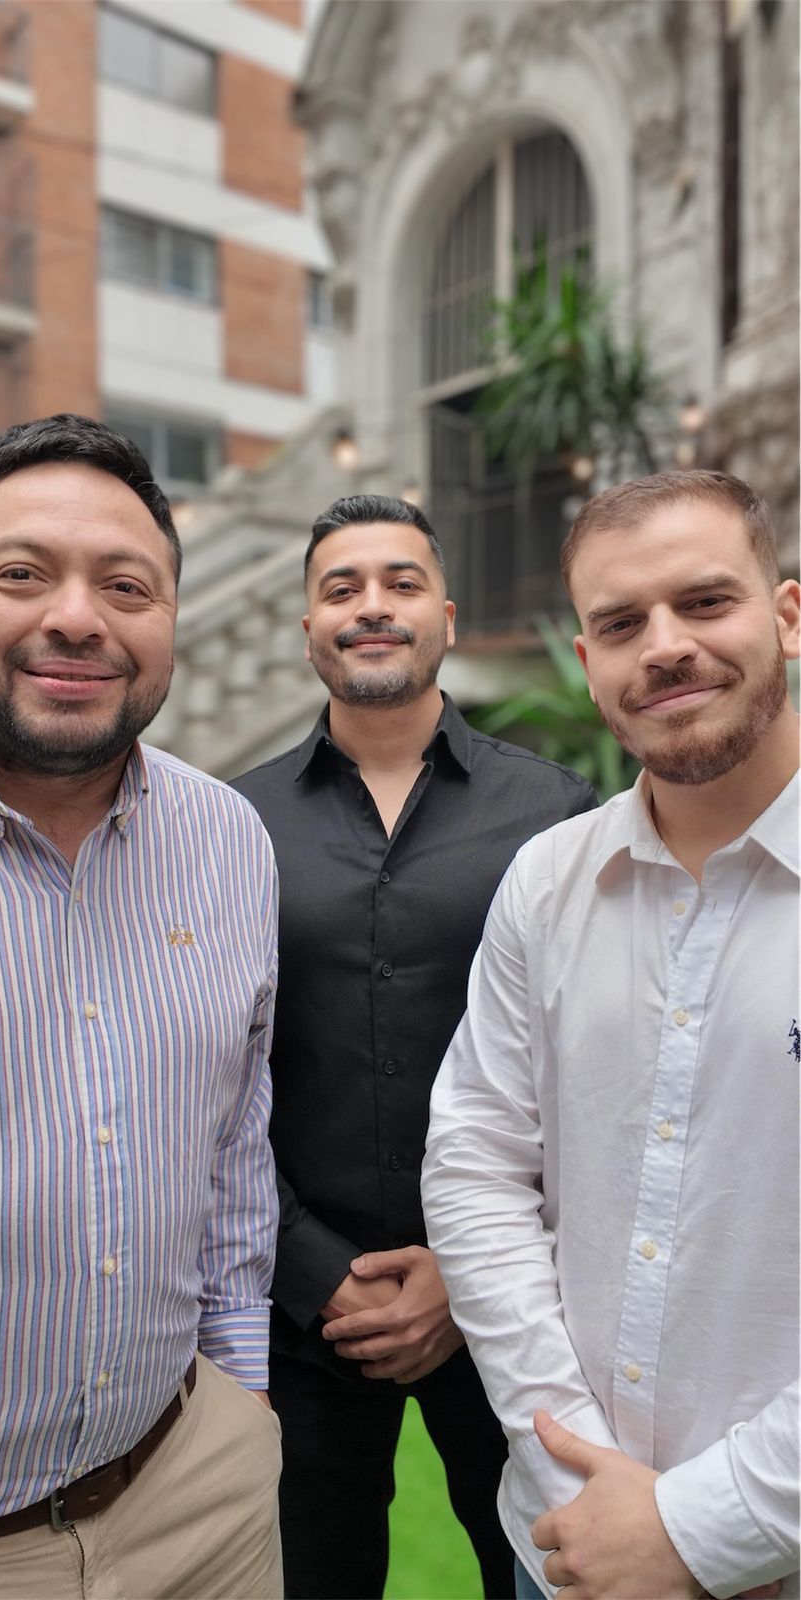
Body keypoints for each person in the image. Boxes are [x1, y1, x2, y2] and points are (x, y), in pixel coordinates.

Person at [0, 415, 283, 1600]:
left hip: (198, 1494)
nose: (78, 618)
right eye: (22, 574)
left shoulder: (227, 838)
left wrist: (244, 1391)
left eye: (127, 586)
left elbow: (233, 1136)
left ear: (169, 618)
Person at [422, 470, 800, 1600]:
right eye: (623, 624)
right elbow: (478, 1165)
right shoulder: (548, 881)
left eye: (706, 602)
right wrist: (578, 1472)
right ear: (588, 663)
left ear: (787, 616)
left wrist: (699, 1528)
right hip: (569, 1545)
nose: (667, 646)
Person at [232, 493, 596, 1599]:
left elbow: (588, 1075)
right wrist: (315, 1270)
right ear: (308, 625)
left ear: (445, 613)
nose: (371, 607)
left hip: (511, 1299)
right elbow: (208, 1078)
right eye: (341, 588)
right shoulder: (230, 825)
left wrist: (467, 1267)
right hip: (302, 1307)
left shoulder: (558, 815)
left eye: (400, 582)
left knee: (541, 1570)